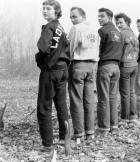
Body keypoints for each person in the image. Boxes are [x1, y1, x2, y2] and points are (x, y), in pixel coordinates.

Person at [35, 0, 70, 151]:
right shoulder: (61, 27)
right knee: (61, 105)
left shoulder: (49, 26)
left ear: (56, 11)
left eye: (48, 9)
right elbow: (67, 48)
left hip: (51, 71)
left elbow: (43, 47)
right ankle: (64, 138)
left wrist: (40, 61)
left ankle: (47, 144)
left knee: (44, 107)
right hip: (63, 70)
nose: (44, 11)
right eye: (43, 8)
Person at [68, 7, 99, 140]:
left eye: (74, 16)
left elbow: (70, 48)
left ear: (83, 16)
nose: (72, 19)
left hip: (79, 65)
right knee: (89, 101)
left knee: (76, 100)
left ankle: (79, 133)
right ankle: (90, 132)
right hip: (92, 66)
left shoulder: (76, 29)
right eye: (71, 17)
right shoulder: (94, 30)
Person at [97, 8, 124, 133]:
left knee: (103, 98)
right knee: (113, 97)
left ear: (109, 17)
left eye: (102, 16)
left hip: (105, 66)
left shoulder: (102, 31)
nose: (99, 18)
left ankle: (104, 127)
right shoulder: (119, 32)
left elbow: (98, 49)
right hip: (116, 67)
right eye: (98, 16)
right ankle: (114, 125)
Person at [114, 13, 139, 123]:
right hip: (134, 64)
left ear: (127, 22)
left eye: (121, 22)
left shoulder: (121, 34)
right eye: (117, 23)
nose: (118, 25)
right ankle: (133, 116)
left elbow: (118, 51)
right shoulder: (133, 34)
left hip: (125, 65)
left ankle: (124, 117)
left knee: (125, 93)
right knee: (132, 92)